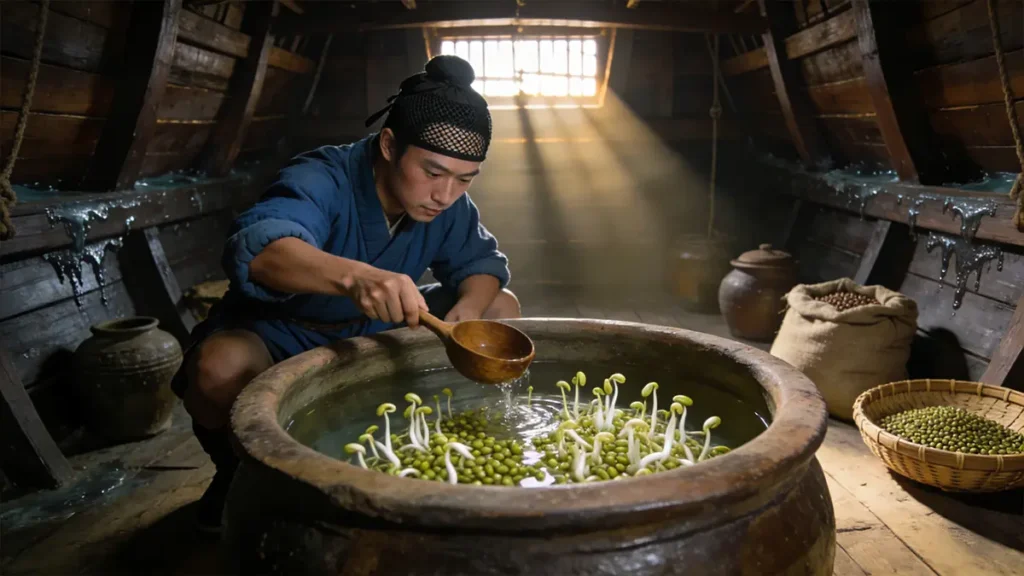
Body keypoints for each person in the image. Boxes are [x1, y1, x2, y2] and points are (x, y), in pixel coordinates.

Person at [170, 54, 520, 533]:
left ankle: (432, 434)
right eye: (434, 172)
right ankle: (237, 478)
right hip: (286, 331)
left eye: (464, 179)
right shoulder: (323, 175)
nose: (445, 195)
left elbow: (481, 267)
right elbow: (261, 251)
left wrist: (466, 312)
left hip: (379, 327)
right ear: (390, 144)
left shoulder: (450, 203)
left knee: (500, 308)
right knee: (217, 368)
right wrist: (355, 277)